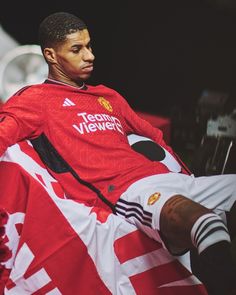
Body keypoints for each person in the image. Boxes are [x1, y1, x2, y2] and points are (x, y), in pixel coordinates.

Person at [0, 12, 235, 294]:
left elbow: (155, 137)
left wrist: (183, 173)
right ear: (50, 55)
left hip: (174, 180)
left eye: (89, 46)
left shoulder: (108, 96)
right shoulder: (34, 99)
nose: (89, 56)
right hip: (127, 190)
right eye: (77, 49)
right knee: (201, 220)